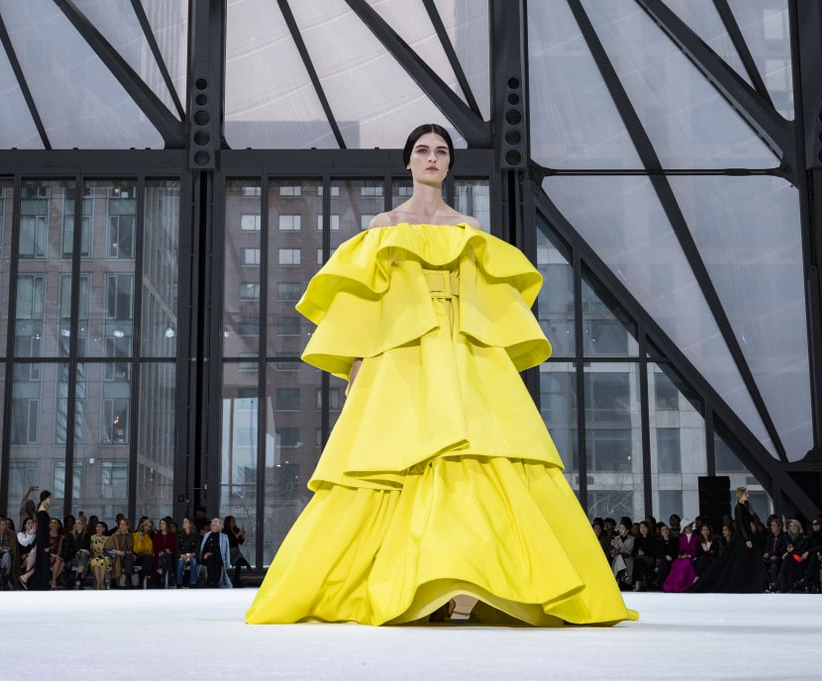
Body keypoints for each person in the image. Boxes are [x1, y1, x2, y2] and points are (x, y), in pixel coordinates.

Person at [246, 124, 636, 627]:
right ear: (408, 162)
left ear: (449, 164)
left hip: (462, 355)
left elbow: (487, 300)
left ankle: (463, 584)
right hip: (406, 356)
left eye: (441, 151)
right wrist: (359, 363)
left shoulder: (468, 227)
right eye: (423, 151)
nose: (432, 158)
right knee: (397, 460)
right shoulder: (385, 225)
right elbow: (372, 299)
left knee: (473, 459)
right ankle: (409, 585)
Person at [687, 487, 766, 593]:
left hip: (748, 536)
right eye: (746, 493)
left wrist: (751, 511)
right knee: (741, 561)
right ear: (741, 494)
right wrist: (746, 539)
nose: (748, 495)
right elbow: (740, 524)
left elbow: (756, 520)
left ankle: (753, 585)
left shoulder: (745, 507)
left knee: (751, 560)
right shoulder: (738, 507)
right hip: (743, 537)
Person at [663, 520, 697, 592]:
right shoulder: (681, 538)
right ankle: (675, 584)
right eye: (687, 526)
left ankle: (682, 584)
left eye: (690, 526)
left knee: (686, 564)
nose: (689, 528)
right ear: (684, 528)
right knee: (676, 564)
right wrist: (680, 555)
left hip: (692, 557)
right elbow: (681, 550)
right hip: (682, 557)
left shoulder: (696, 537)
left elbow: (697, 550)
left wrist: (689, 555)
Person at [200, 517, 232, 588]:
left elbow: (225, 551)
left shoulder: (224, 537)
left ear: (219, 526)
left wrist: (228, 563)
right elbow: (204, 547)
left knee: (216, 558)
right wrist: (205, 554)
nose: (212, 526)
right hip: (208, 557)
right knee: (211, 558)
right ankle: (209, 580)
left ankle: (216, 581)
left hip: (219, 556)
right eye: (211, 524)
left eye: (214, 525)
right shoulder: (207, 535)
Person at [30, 491, 52, 590]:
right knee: (44, 564)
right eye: (49, 498)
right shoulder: (42, 513)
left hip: (41, 541)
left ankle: (37, 585)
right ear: (45, 498)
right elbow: (43, 531)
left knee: (40, 564)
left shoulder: (40, 511)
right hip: (43, 541)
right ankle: (42, 585)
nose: (50, 500)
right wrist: (46, 545)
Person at [223, 516, 251, 588]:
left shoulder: (236, 529)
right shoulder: (225, 531)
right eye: (231, 521)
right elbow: (229, 541)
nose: (233, 523)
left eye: (234, 521)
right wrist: (238, 535)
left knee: (239, 561)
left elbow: (240, 542)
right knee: (239, 560)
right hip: (229, 550)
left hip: (236, 549)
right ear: (228, 522)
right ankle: (236, 579)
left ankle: (237, 579)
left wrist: (242, 535)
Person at [152, 517, 176, 587]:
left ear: (167, 525)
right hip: (159, 557)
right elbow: (155, 547)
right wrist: (160, 552)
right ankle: (171, 575)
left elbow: (173, 547)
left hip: (169, 557)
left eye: (163, 524)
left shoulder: (172, 536)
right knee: (165, 557)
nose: (161, 525)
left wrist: (169, 550)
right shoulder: (156, 536)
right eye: (160, 524)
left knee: (167, 556)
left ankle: (163, 578)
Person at [88, 522, 111, 590]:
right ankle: (99, 584)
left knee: (102, 562)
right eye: (97, 526)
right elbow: (90, 550)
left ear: (104, 529)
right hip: (94, 557)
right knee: (96, 561)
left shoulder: (108, 538)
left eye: (100, 527)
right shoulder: (91, 538)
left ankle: (101, 583)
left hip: (104, 557)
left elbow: (109, 549)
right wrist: (93, 556)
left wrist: (104, 555)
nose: (98, 528)